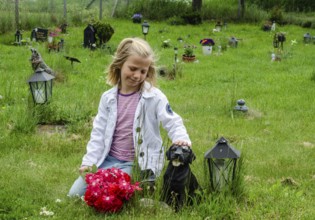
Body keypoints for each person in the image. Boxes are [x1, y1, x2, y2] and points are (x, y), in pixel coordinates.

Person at [68, 37, 191, 197]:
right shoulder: (108, 98)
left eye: (143, 71)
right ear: (119, 64)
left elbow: (172, 121)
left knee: (114, 193)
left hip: (136, 163)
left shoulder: (154, 97)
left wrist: (181, 138)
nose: (137, 75)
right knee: (75, 194)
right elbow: (98, 134)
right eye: (132, 68)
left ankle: (137, 185)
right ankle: (107, 183)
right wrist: (88, 164)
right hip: (108, 161)